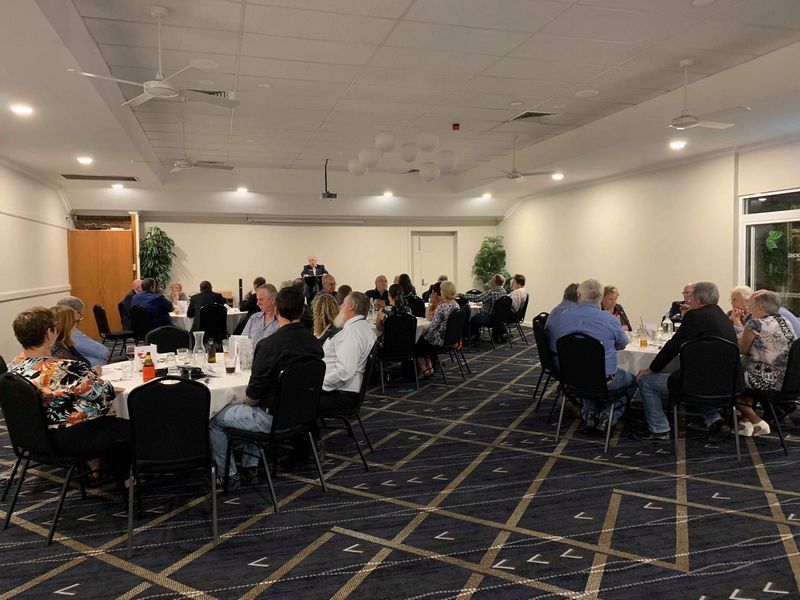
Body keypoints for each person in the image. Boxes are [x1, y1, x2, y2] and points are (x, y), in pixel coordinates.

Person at [208, 287, 323, 485]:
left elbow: (252, 398)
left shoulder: (269, 345)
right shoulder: (314, 343)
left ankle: (229, 474)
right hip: (303, 415)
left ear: (276, 309)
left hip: (272, 419)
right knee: (253, 404)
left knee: (214, 417)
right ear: (303, 310)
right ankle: (250, 466)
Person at [8, 307, 131, 492]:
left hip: (35, 437)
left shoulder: (13, 367)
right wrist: (106, 386)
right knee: (131, 426)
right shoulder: (64, 368)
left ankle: (98, 464)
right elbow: (103, 393)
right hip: (69, 438)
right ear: (49, 333)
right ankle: (128, 478)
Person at [635, 282, 739, 444]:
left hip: (700, 383)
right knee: (695, 381)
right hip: (729, 383)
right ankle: (716, 421)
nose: (688, 302)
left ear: (698, 300)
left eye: (690, 299)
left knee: (646, 381)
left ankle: (659, 429)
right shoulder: (723, 317)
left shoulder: (694, 316)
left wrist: (651, 369)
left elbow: (673, 346)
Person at [557, 279, 637, 434]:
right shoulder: (610, 319)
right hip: (604, 380)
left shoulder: (564, 316)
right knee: (633, 380)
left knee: (585, 373)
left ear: (579, 296)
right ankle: (608, 416)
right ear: (601, 298)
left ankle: (590, 414)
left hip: (572, 377)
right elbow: (623, 344)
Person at [736, 290, 797, 436]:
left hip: (766, 381)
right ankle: (745, 424)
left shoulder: (756, 323)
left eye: (751, 304)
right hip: (788, 380)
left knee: (727, 383)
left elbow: (743, 349)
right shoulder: (784, 321)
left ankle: (757, 421)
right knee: (744, 373)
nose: (749, 308)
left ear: (760, 307)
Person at [318, 292, 377, 414]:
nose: (340, 307)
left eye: (343, 303)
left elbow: (344, 373)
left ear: (351, 305)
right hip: (345, 391)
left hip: (341, 394)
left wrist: (318, 383)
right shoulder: (364, 328)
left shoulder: (352, 332)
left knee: (293, 399)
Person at [415, 281, 460, 378]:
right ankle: (430, 367)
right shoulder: (456, 305)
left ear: (444, 292)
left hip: (440, 339)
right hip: (451, 338)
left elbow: (433, 325)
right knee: (423, 342)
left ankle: (424, 369)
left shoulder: (442, 307)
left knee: (417, 343)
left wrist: (424, 334)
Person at [56, 296, 109, 367]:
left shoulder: (55, 329)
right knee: (100, 361)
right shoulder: (70, 331)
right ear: (76, 314)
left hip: (61, 365)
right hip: (70, 366)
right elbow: (103, 352)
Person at [462, 274, 508, 339]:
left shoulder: (491, 293)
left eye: (492, 279)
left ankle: (471, 336)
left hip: (488, 318)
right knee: (477, 315)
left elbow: (476, 298)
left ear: (494, 281)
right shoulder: (504, 292)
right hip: (499, 318)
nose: (491, 280)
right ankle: (476, 335)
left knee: (470, 318)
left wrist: (462, 295)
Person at [545, 283, 580, 356]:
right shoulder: (573, 313)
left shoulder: (555, 309)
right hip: (563, 357)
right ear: (579, 297)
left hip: (551, 353)